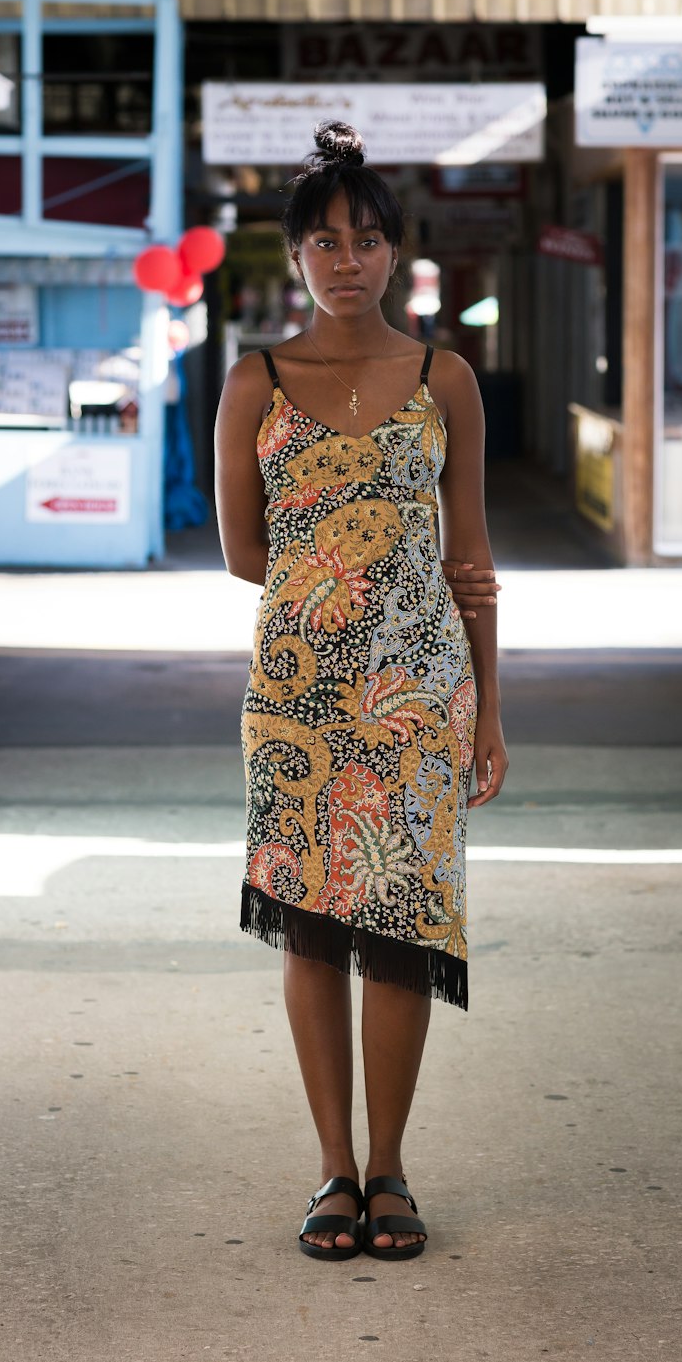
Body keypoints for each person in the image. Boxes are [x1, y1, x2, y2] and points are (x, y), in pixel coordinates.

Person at [214, 120, 508, 1262]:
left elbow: (470, 559)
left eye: (368, 240)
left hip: (421, 692)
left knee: (398, 931)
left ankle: (390, 1168)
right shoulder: (257, 380)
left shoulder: (445, 379)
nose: (347, 260)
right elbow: (245, 552)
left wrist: (490, 706)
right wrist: (337, 578)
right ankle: (332, 1169)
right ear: (295, 258)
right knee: (311, 932)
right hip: (295, 695)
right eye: (325, 242)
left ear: (396, 257)